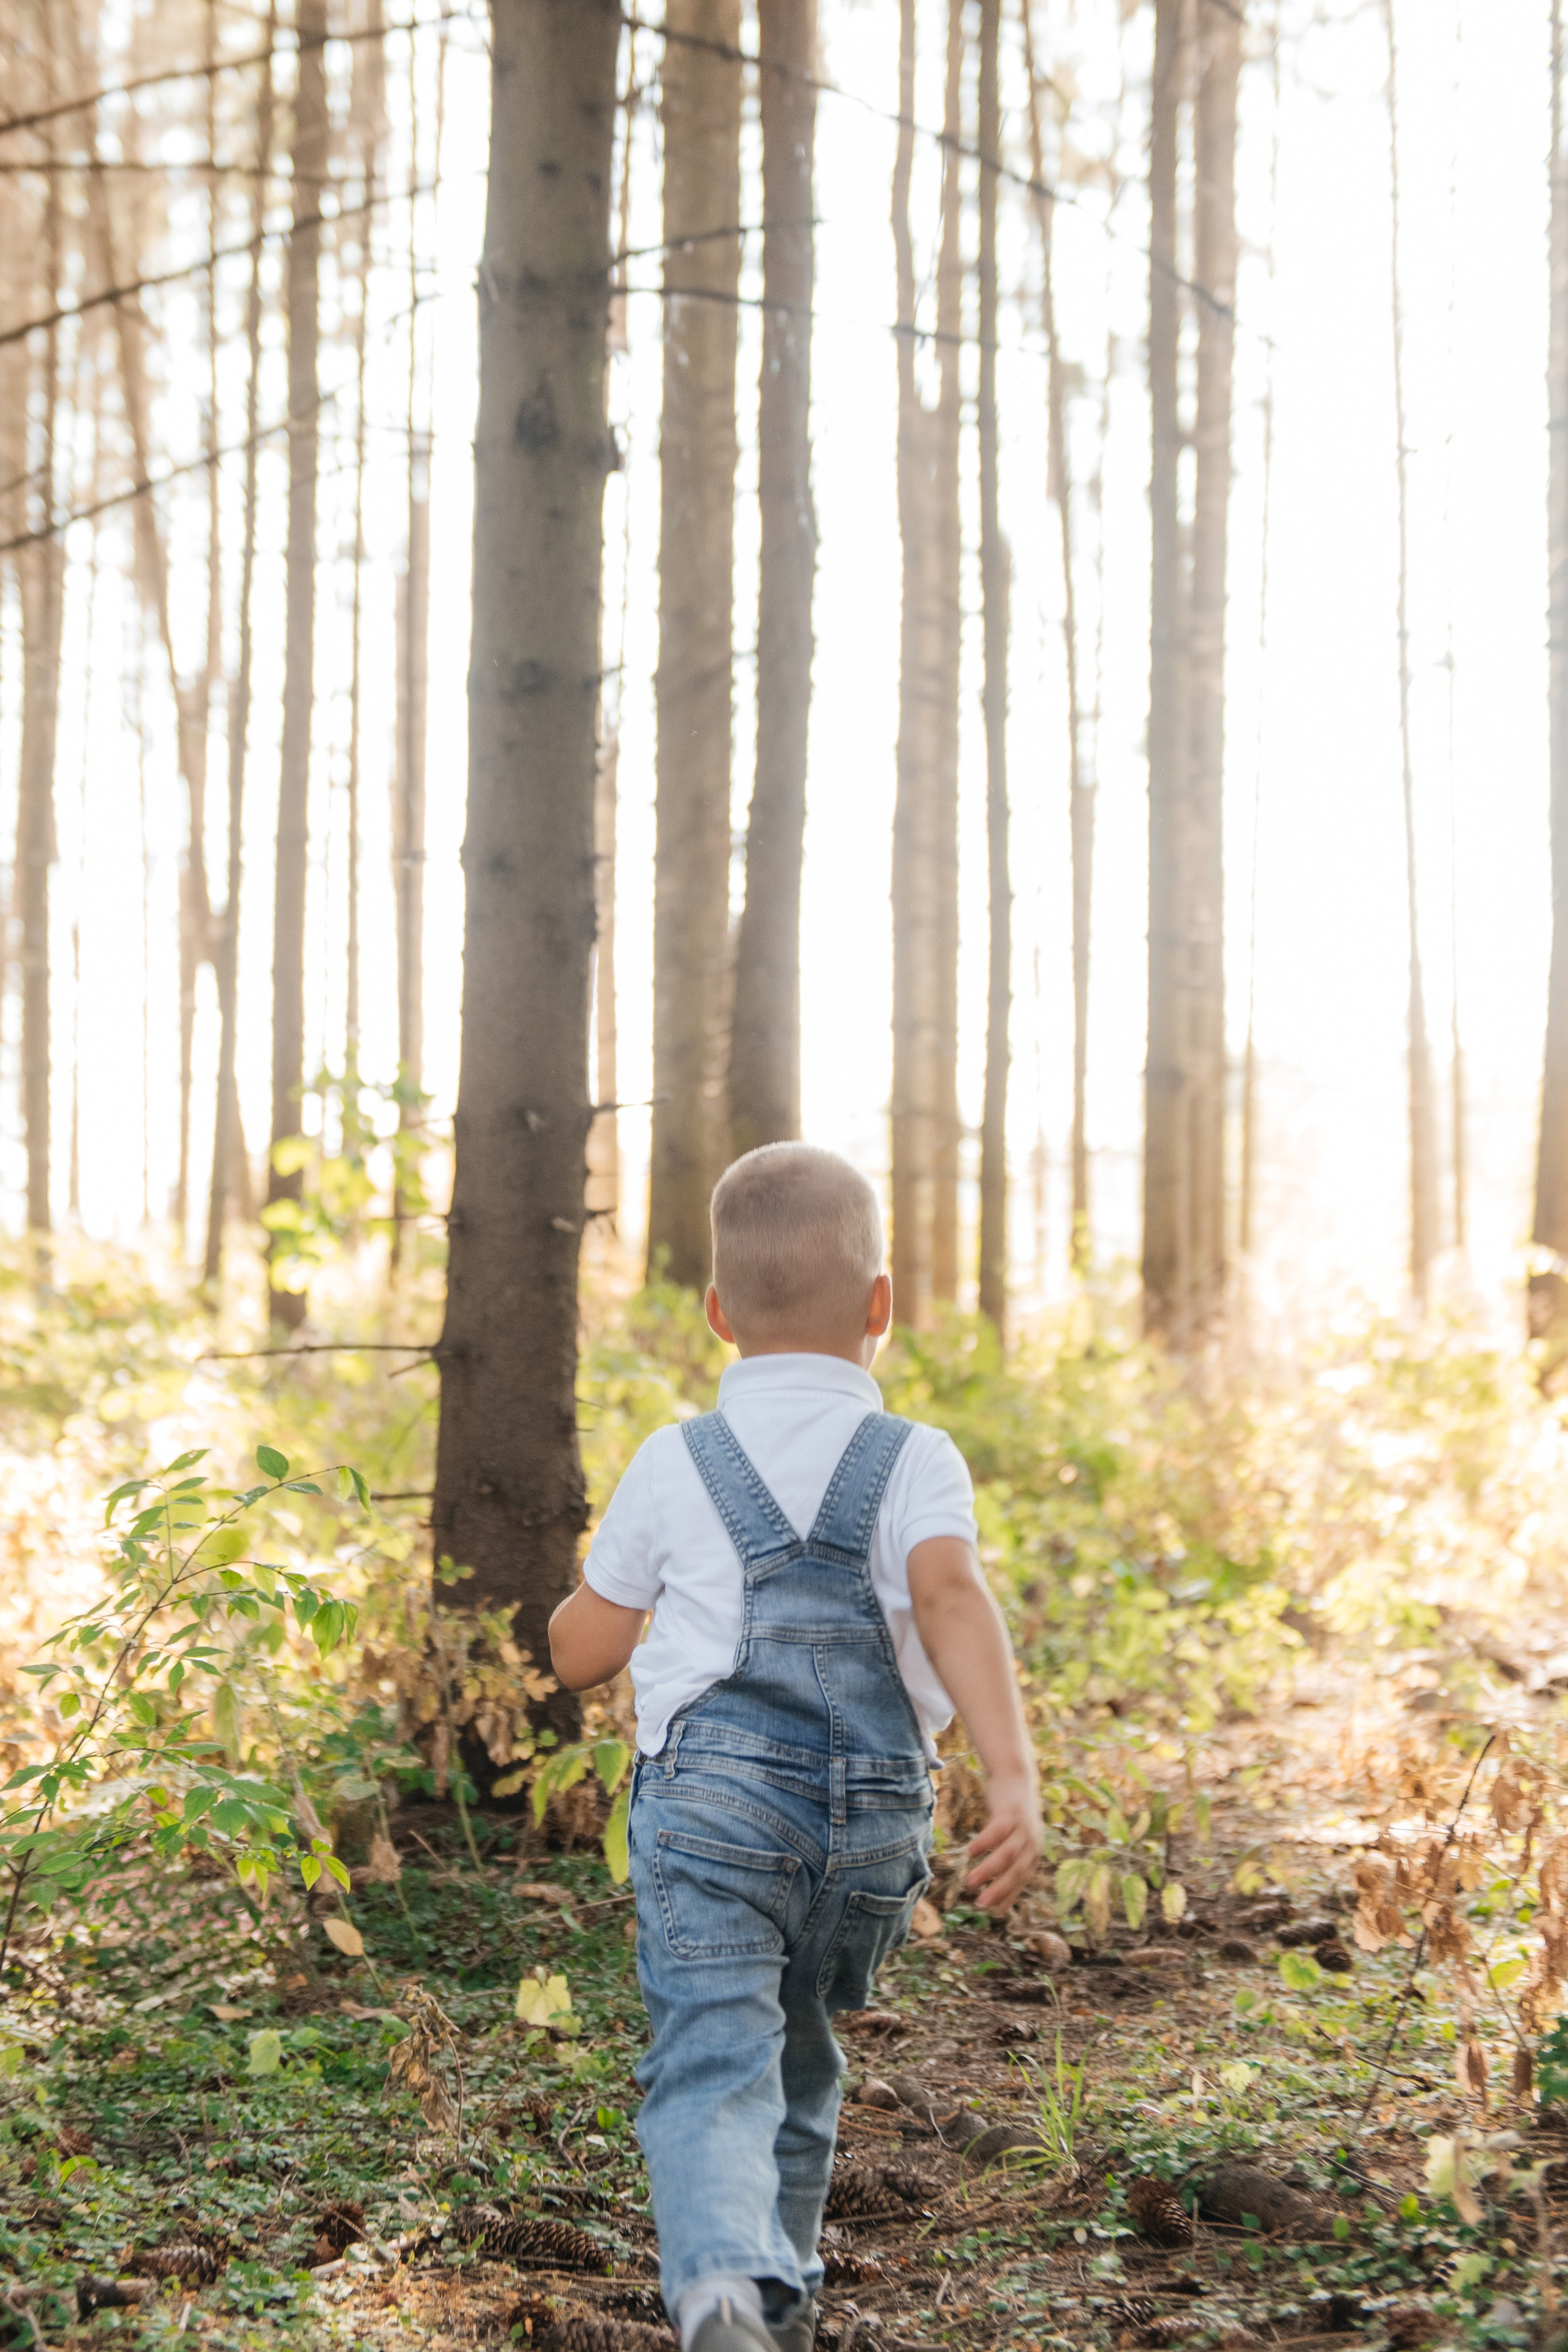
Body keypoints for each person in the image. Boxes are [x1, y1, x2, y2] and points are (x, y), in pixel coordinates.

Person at [549, 1144, 1042, 2352]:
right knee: (802, 2048)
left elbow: (581, 1655)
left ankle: (723, 2286)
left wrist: (582, 1600)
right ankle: (782, 2299)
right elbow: (951, 1596)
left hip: (711, 1814)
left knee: (715, 2045)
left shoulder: (674, 1460)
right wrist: (1012, 1776)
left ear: (718, 1313)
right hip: (869, 1823)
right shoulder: (915, 1457)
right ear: (880, 1306)